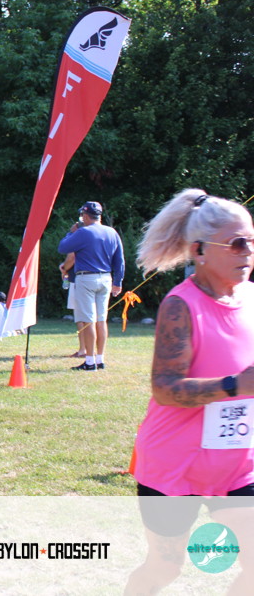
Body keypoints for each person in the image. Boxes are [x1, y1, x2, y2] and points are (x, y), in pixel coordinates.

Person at [126, 189, 254, 594]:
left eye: (252, 241)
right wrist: (235, 386)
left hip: (237, 465)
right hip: (174, 468)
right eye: (237, 243)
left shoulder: (251, 299)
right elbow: (165, 389)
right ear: (199, 250)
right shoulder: (181, 306)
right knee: (164, 569)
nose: (248, 252)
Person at [57, 201, 124, 371]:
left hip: (86, 278)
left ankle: (89, 361)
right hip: (106, 278)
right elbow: (119, 260)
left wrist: (71, 232)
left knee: (88, 321)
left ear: (85, 216)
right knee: (101, 320)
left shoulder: (83, 232)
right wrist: (118, 282)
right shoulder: (112, 232)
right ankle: (100, 359)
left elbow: (63, 247)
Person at [59, 252, 86, 358]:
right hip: (101, 278)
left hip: (79, 279)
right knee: (96, 317)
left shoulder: (77, 241)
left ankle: (83, 349)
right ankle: (94, 351)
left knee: (80, 317)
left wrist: (64, 268)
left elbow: (72, 257)